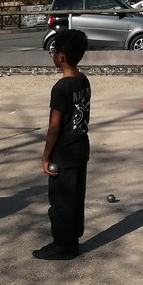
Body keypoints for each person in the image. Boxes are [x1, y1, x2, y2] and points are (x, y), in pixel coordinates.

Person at [34, 29, 91, 261]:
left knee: (60, 202)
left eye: (55, 52)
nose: (53, 55)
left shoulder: (61, 87)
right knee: (76, 198)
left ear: (61, 57)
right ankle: (72, 239)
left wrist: (46, 155)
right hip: (80, 149)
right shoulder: (83, 80)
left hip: (64, 153)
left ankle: (63, 245)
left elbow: (54, 126)